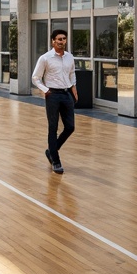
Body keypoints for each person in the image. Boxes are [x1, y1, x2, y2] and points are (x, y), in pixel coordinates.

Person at [32, 28, 77, 174]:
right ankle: (56, 161)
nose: (62, 42)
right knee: (53, 127)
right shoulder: (45, 58)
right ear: (53, 41)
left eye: (64, 39)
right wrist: (45, 90)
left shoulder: (70, 57)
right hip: (52, 95)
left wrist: (73, 90)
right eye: (59, 39)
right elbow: (35, 77)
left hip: (66, 94)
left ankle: (51, 150)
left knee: (70, 127)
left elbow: (72, 73)